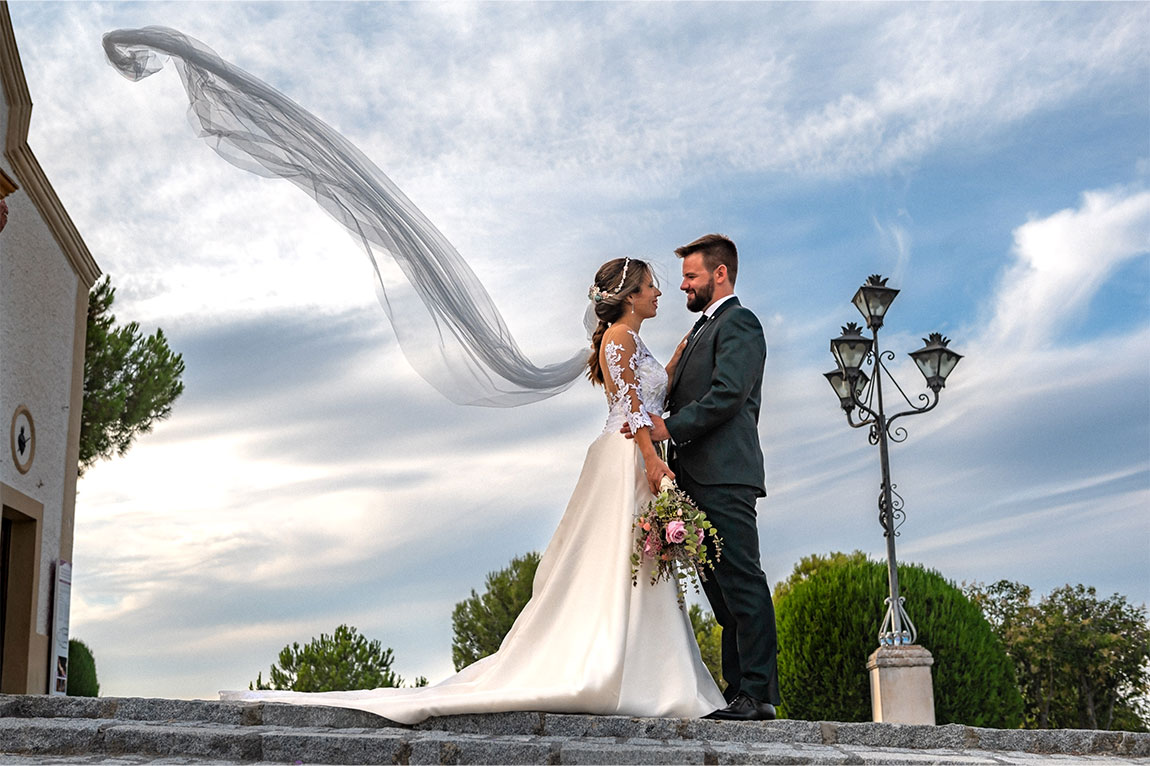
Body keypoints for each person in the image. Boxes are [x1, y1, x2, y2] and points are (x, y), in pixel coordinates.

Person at [221, 257, 725, 724]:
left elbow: (650, 390)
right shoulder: (618, 340)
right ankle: (628, 669)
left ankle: (651, 668)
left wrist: (679, 355)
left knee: (636, 561)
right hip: (629, 458)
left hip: (633, 458)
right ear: (630, 297)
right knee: (622, 560)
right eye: (651, 285)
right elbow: (634, 408)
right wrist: (654, 462)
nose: (660, 291)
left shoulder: (633, 341)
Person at [638, 233, 781, 721]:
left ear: (720, 274)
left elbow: (728, 393)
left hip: (724, 474)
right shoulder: (701, 330)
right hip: (692, 476)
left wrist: (668, 426)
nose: (682, 286)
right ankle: (737, 689)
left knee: (742, 581)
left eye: (691, 276)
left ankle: (758, 693)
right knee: (720, 595)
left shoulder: (740, 323)